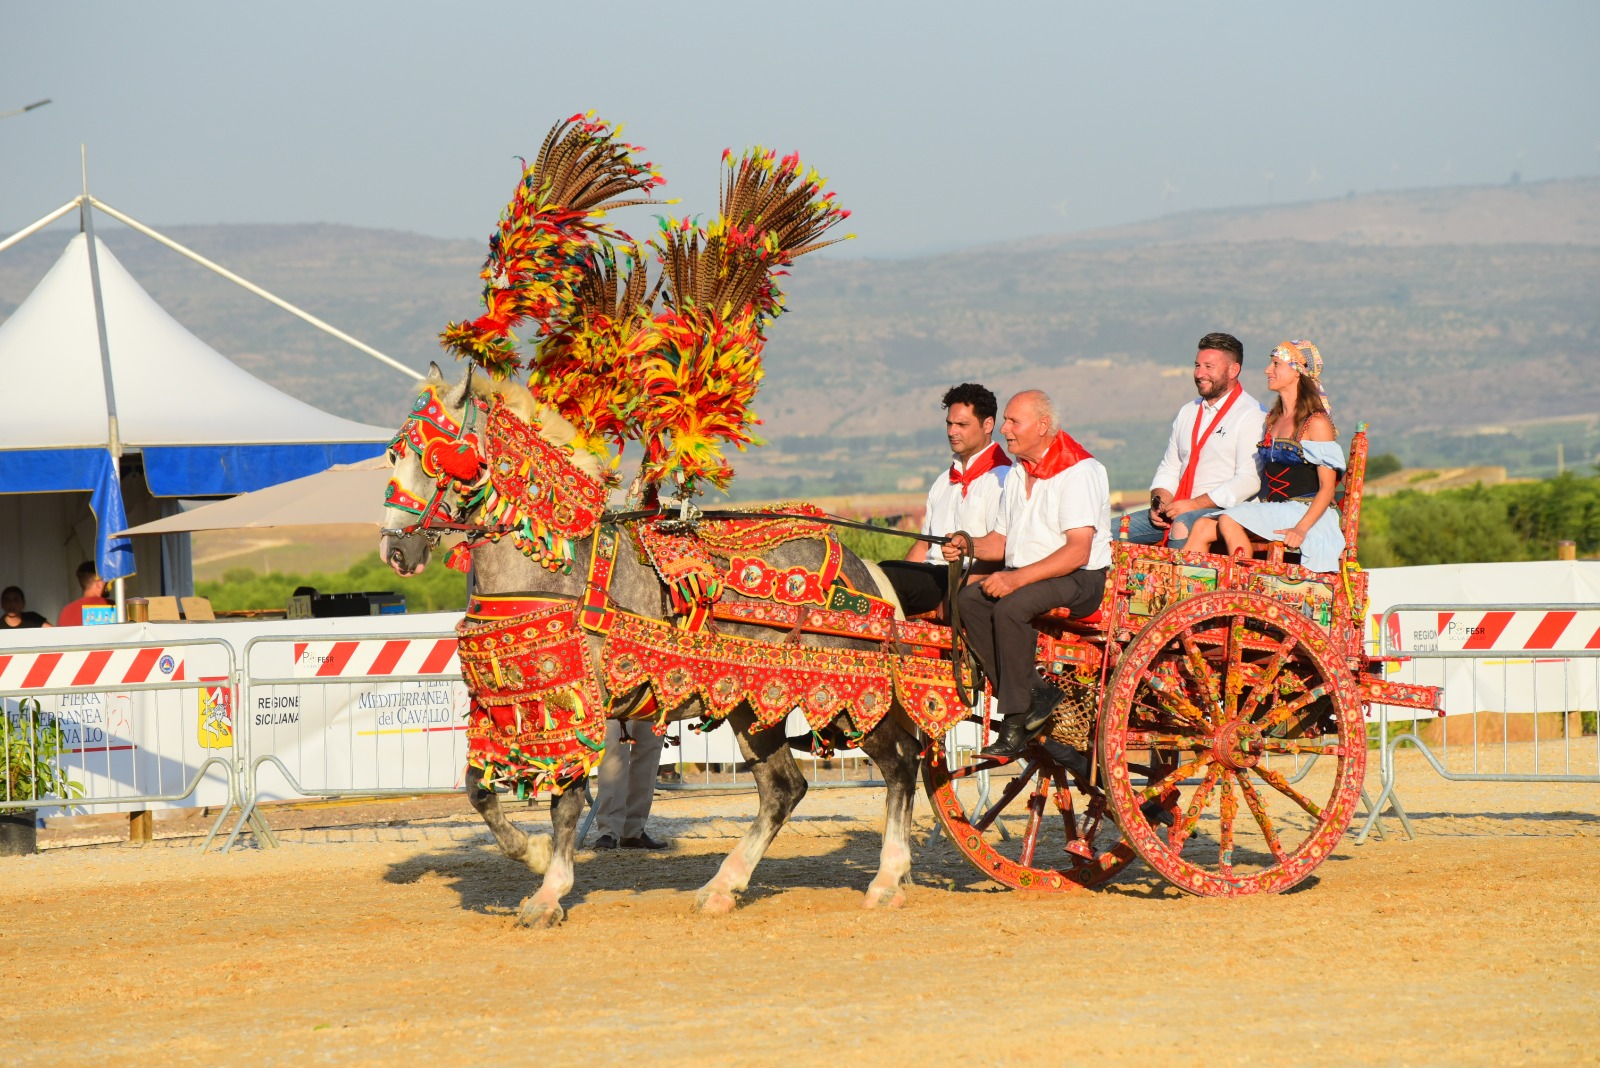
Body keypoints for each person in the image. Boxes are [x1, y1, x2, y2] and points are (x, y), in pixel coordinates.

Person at [944, 390, 1111, 759]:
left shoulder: (1079, 470)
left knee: (1009, 607)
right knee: (969, 600)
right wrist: (966, 544)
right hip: (1035, 575)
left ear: (1043, 425)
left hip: (1080, 578)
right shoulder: (1018, 472)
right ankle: (1034, 691)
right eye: (1005, 421)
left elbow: (1078, 551)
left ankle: (1015, 721)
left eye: (1012, 421)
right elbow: (1002, 541)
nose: (1004, 429)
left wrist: (1015, 580)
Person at [1188, 340, 1346, 573]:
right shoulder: (1273, 419)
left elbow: (1327, 488)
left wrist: (1301, 529)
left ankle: (1241, 588)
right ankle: (1188, 590)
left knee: (1229, 520)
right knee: (1202, 525)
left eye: (1275, 364)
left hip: (1305, 511)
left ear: (1296, 372)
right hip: (1275, 510)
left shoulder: (1317, 423)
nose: (1267, 370)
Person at [1119, 332, 1266, 549]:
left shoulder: (1251, 414)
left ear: (1233, 370)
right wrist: (1160, 501)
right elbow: (1170, 466)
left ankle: (1174, 583)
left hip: (1223, 511)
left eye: (1209, 367)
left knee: (1182, 525)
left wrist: (1194, 505)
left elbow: (1248, 480)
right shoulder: (1188, 411)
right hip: (1178, 506)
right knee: (1106, 531)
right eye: (1197, 366)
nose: (1199, 374)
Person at [878, 383, 1011, 617]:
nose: (952, 431)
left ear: (988, 424)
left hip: (968, 576)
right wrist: (903, 574)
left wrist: (956, 591)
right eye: (949, 423)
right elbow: (923, 545)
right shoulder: (942, 482)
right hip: (933, 576)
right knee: (880, 574)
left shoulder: (1003, 479)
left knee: (888, 576)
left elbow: (999, 551)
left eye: (962, 424)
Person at [592, 719, 668, 850]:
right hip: (616, 698)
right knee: (613, 745)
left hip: (651, 699)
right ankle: (609, 829)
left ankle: (634, 829)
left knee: (650, 743)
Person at [56, 561, 111, 627]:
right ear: (99, 584)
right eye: (107, 580)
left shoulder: (66, 612)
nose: (109, 583)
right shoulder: (110, 606)